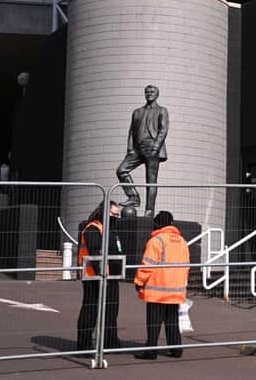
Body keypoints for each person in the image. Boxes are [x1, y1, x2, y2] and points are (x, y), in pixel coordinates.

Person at [134, 211, 190, 360]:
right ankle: (176, 349)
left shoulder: (156, 241)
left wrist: (139, 281)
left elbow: (147, 265)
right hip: (176, 290)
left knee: (153, 323)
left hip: (157, 290)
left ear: (157, 223)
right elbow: (187, 266)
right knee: (172, 321)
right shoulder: (182, 241)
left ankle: (151, 351)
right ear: (171, 223)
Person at [76, 201, 124, 351]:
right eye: (114, 214)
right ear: (104, 213)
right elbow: (95, 253)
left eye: (118, 215)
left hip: (111, 277)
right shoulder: (93, 228)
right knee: (91, 310)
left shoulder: (110, 230)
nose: (117, 217)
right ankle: (84, 344)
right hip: (93, 277)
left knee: (111, 309)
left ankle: (110, 340)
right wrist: (102, 275)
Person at [116, 85, 169, 217]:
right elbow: (132, 131)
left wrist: (156, 147)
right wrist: (130, 149)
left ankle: (149, 211)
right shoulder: (137, 112)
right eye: (147, 92)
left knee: (151, 181)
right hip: (138, 149)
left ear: (157, 94)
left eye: (152, 92)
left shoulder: (162, 110)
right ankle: (133, 196)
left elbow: (163, 130)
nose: (149, 93)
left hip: (152, 147)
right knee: (121, 170)